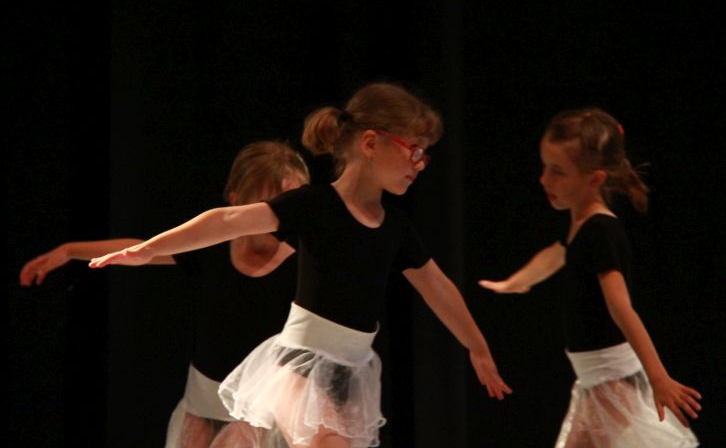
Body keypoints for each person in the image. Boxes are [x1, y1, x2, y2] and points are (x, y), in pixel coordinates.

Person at [89, 82, 512, 448]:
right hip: (298, 364)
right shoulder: (315, 206)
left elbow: (437, 287)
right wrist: (149, 248)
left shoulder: (396, 228)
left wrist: (476, 346)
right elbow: (228, 220)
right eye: (413, 150)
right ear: (370, 143)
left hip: (352, 372)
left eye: (424, 154)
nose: (419, 164)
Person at [21, 140, 310, 448]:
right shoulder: (212, 247)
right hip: (203, 395)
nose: (278, 218)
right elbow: (142, 249)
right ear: (236, 202)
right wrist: (70, 251)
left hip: (258, 404)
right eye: (267, 208)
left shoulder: (303, 264)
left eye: (289, 206)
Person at [480, 108, 701, 447]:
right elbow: (559, 252)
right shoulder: (582, 222)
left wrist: (658, 378)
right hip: (596, 378)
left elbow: (621, 309)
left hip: (611, 379)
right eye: (545, 167)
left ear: (595, 179)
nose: (544, 180)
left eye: (557, 171)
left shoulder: (601, 230)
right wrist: (518, 282)